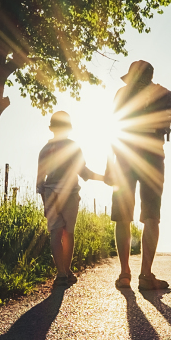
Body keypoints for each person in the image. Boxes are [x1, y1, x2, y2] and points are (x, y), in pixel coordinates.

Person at [108, 60, 171, 290]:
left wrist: (109, 166)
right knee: (151, 216)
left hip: (124, 157)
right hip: (152, 158)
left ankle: (125, 273)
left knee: (123, 216)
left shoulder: (121, 94)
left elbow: (112, 128)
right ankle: (145, 275)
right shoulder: (163, 94)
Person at [37, 111, 104, 287]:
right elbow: (84, 172)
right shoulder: (73, 147)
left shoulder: (44, 150)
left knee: (55, 233)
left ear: (51, 128)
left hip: (51, 193)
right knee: (68, 232)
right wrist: (105, 178)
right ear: (69, 128)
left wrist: (45, 201)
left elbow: (39, 181)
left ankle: (61, 274)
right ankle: (66, 271)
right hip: (70, 193)